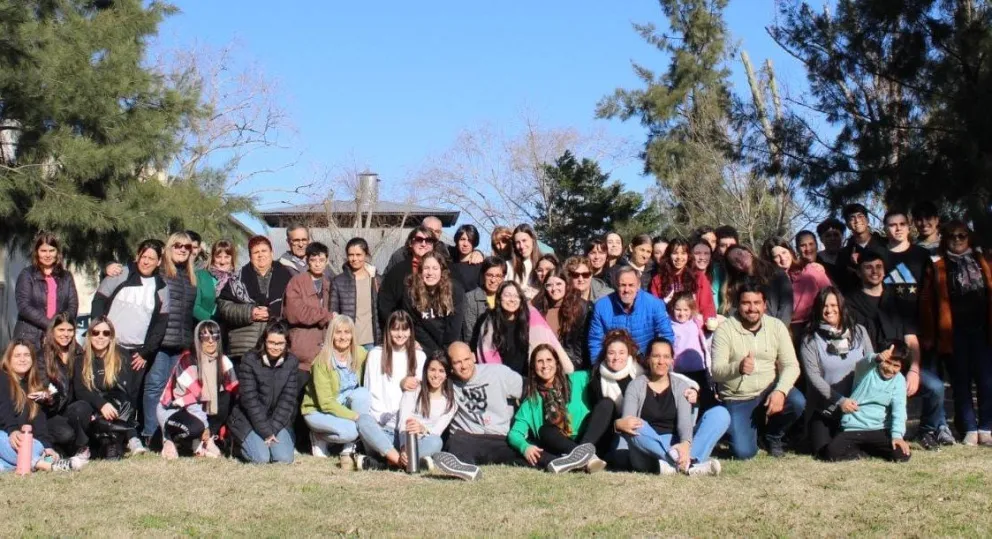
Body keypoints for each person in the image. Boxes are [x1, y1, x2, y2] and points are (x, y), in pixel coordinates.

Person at [848, 251, 952, 447]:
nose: (874, 271)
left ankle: (927, 430)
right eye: (868, 267)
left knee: (935, 387)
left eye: (878, 267)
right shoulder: (851, 302)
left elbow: (911, 339)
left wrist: (913, 369)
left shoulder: (897, 299)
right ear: (859, 272)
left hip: (900, 365)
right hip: (870, 369)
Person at [710, 280, 805, 459]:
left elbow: (791, 365)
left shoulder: (776, 327)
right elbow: (716, 371)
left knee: (797, 401)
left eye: (757, 303)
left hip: (768, 390)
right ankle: (740, 430)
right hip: (739, 397)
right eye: (746, 303)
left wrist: (780, 391)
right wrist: (737, 367)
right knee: (744, 453)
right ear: (738, 305)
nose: (752, 308)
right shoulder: (725, 330)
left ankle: (772, 436)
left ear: (765, 305)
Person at [90, 239, 169, 454]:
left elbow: (161, 324)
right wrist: (99, 335)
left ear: (159, 261)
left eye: (152, 258)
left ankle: (130, 436)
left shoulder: (161, 287)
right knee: (106, 391)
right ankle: (104, 437)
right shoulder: (120, 274)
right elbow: (98, 301)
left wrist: (145, 352)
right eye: (144, 256)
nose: (146, 261)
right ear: (137, 256)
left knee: (130, 396)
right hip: (110, 347)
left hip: (137, 352)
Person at [921, 222, 992, 446]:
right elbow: (927, 303)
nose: (958, 240)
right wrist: (931, 334)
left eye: (962, 236)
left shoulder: (983, 260)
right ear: (945, 238)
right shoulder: (937, 263)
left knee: (986, 379)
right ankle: (970, 428)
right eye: (952, 236)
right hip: (953, 331)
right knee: (960, 381)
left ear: (969, 237)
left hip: (983, 329)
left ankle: (987, 427)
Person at [618, 338, 728, 476]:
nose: (661, 361)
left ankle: (681, 463)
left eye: (666, 357)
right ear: (648, 359)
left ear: (671, 361)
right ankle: (689, 464)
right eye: (656, 356)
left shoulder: (680, 385)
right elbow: (627, 420)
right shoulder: (635, 386)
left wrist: (685, 444)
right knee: (634, 424)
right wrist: (620, 423)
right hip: (647, 449)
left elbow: (684, 423)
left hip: (677, 445)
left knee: (720, 413)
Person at [507, 345, 610, 474]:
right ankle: (587, 458)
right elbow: (514, 434)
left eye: (549, 360)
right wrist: (525, 447)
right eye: (540, 361)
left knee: (606, 404)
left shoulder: (579, 379)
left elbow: (603, 372)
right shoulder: (530, 402)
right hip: (561, 445)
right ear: (533, 367)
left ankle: (582, 455)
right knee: (544, 431)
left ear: (556, 362)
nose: (545, 365)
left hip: (590, 438)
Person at [428, 341, 520, 481]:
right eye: (457, 362)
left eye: (466, 359)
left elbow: (528, 392)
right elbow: (427, 381)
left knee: (525, 451)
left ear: (473, 357)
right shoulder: (448, 384)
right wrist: (405, 382)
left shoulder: (498, 373)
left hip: (500, 438)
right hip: (469, 439)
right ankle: (467, 469)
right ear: (451, 366)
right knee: (456, 442)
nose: (464, 366)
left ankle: (553, 461)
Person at [800, 287, 874, 457]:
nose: (829, 310)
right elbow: (814, 378)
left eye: (834, 305)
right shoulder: (810, 339)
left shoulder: (860, 332)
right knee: (824, 452)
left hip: (858, 407)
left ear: (841, 307)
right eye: (824, 306)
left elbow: (871, 364)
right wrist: (840, 401)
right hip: (825, 409)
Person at [142, 231, 199, 446]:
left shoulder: (190, 276)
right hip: (160, 341)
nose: (182, 249)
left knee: (173, 391)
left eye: (187, 247)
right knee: (155, 386)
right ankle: (150, 433)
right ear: (169, 247)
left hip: (181, 342)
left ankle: (168, 434)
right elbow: (137, 266)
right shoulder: (159, 272)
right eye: (177, 245)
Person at [0, 340, 86, 472]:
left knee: (36, 445)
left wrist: (47, 446)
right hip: (4, 436)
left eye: (26, 355)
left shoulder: (33, 385)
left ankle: (22, 463)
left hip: (16, 444)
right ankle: (48, 466)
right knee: (12, 440)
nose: (22, 359)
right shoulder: (2, 378)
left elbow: (38, 418)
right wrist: (13, 430)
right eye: (17, 356)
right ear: (8, 359)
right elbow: (4, 408)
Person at [156, 320, 237, 459]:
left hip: (202, 410)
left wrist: (214, 431)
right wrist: (206, 428)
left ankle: (203, 441)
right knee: (195, 428)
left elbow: (232, 394)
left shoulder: (224, 362)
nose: (211, 341)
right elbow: (191, 401)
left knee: (226, 397)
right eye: (205, 337)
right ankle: (169, 438)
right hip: (175, 408)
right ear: (198, 340)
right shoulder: (188, 361)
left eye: (215, 336)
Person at [823, 342, 911, 463]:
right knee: (832, 453)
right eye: (887, 362)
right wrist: (878, 358)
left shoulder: (899, 380)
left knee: (902, 455)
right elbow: (865, 362)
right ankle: (863, 451)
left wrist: (897, 436)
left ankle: (867, 449)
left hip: (880, 428)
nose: (890, 369)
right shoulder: (866, 371)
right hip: (854, 427)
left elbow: (899, 409)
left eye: (896, 366)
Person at [227, 320, 299, 464]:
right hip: (248, 418)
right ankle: (236, 444)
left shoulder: (291, 362)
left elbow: (288, 400)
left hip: (276, 420)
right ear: (264, 341)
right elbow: (249, 400)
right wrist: (266, 431)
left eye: (280, 343)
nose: (275, 347)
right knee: (261, 458)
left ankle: (268, 442)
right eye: (271, 342)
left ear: (286, 344)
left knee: (284, 458)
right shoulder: (249, 359)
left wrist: (273, 429)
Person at [301, 315, 370, 463]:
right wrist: (355, 417)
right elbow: (325, 403)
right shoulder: (322, 361)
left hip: (342, 407)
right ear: (331, 335)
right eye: (338, 332)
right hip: (318, 411)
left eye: (347, 332)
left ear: (352, 335)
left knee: (363, 394)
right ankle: (318, 436)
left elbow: (380, 355)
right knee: (353, 430)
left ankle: (349, 447)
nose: (343, 337)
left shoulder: (360, 353)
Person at [72, 317, 143, 459]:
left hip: (116, 408)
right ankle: (91, 447)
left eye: (106, 333)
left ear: (111, 337)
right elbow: (80, 390)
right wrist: (101, 404)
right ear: (89, 335)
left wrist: (107, 405)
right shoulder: (80, 360)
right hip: (94, 407)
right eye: (96, 332)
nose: (100, 337)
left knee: (124, 402)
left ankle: (119, 442)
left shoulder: (121, 357)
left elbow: (124, 389)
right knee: (79, 408)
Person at [361, 311, 426, 467]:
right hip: (382, 425)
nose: (400, 334)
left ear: (411, 331)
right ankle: (401, 460)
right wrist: (380, 419)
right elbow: (369, 390)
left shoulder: (419, 356)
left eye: (404, 329)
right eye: (395, 329)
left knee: (435, 442)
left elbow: (418, 398)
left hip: (405, 427)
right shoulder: (376, 354)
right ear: (388, 331)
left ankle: (385, 460)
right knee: (363, 422)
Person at [217, 235, 293, 361]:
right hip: (243, 346)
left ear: (272, 253)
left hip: (275, 345)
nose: (260, 255)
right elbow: (224, 306)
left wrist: (272, 313)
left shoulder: (286, 277)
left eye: (264, 251)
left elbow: (292, 307)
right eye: (256, 252)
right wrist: (250, 312)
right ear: (250, 256)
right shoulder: (237, 279)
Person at [476, 281, 573, 376]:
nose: (512, 299)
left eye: (516, 296)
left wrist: (566, 369)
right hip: (503, 380)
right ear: (499, 298)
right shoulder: (490, 322)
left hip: (531, 379)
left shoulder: (531, 316)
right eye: (507, 295)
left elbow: (550, 342)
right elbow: (486, 354)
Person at [588, 267, 675, 362]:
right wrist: (598, 367)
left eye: (631, 285)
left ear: (638, 286)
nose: (626, 289)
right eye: (622, 285)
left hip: (646, 361)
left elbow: (666, 335)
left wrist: (657, 361)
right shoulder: (602, 306)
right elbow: (596, 340)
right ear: (616, 285)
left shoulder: (654, 304)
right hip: (615, 362)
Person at [36, 313, 90, 458]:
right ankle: (63, 446)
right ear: (52, 331)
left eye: (70, 330)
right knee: (65, 434)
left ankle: (76, 446)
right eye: (61, 330)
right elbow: (45, 389)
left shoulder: (79, 354)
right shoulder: (42, 357)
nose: (66, 334)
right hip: (51, 412)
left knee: (83, 407)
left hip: (70, 410)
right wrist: (50, 398)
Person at [13, 232, 79, 351]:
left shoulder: (66, 277)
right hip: (30, 337)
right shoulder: (27, 274)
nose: (47, 255)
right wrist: (51, 325)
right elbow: (24, 307)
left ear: (57, 253)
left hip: (58, 338)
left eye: (51, 250)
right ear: (37, 252)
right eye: (43, 251)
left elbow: (72, 306)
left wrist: (61, 328)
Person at [378, 226, 448, 326]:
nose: (423, 244)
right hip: (404, 331)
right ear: (411, 243)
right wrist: (397, 328)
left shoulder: (442, 270)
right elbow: (385, 304)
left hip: (435, 331)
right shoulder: (398, 271)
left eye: (428, 241)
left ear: (433, 245)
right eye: (419, 240)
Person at [398, 352, 457, 468]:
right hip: (403, 439)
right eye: (432, 369)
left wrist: (422, 429)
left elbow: (436, 431)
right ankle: (408, 460)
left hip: (425, 442)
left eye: (441, 371)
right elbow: (402, 422)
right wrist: (404, 447)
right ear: (426, 370)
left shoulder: (450, 403)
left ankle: (406, 460)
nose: (436, 375)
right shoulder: (414, 390)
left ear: (447, 375)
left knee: (436, 442)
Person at [760, 237, 831, 335]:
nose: (783, 258)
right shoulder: (769, 282)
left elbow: (830, 294)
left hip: (815, 324)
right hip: (786, 329)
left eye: (784, 252)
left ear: (790, 251)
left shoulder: (810, 269)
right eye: (777, 256)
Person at [401, 251, 466, 356]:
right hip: (425, 346)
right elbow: (415, 325)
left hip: (450, 346)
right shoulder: (411, 292)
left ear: (442, 271)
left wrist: (445, 353)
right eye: (426, 268)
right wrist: (433, 351)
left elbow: (454, 327)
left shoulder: (455, 290)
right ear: (420, 270)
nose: (430, 273)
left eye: (435, 268)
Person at [284, 241, 334, 373]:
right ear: (307, 261)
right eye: (313, 260)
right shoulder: (296, 282)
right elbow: (296, 313)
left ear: (327, 261)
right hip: (301, 351)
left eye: (321, 260)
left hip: (324, 351)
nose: (318, 264)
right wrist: (326, 316)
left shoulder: (330, 284)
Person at [532, 266, 592, 370]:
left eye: (559, 284)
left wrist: (576, 366)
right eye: (549, 285)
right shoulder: (538, 309)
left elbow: (581, 344)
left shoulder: (581, 308)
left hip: (571, 364)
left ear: (567, 285)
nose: (554, 289)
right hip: (545, 365)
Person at [723, 244, 794, 325]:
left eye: (740, 253)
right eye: (735, 261)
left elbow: (786, 306)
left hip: (776, 329)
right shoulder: (737, 286)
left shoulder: (775, 272)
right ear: (734, 267)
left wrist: (779, 330)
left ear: (748, 251)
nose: (740, 259)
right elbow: (734, 311)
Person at [330, 237, 381, 350]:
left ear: (366, 255)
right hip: (348, 341)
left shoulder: (376, 280)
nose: (354, 259)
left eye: (358, 255)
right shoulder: (338, 281)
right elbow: (333, 312)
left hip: (372, 341)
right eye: (351, 255)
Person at [649, 238, 716, 321]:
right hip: (668, 327)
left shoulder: (698, 277)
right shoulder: (658, 279)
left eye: (683, 253)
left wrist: (709, 322)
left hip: (695, 327)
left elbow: (707, 307)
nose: (679, 257)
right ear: (669, 255)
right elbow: (654, 308)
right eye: (675, 253)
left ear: (688, 256)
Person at [668, 292, 714, 409]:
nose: (682, 313)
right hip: (681, 372)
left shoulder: (696, 322)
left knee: (705, 399)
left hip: (699, 369)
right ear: (672, 308)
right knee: (685, 402)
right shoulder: (670, 325)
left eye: (685, 310)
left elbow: (704, 340)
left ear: (691, 310)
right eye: (678, 309)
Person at [836, 203, 889, 293]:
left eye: (860, 216)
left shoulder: (886, 244)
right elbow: (844, 283)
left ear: (867, 220)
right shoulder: (844, 254)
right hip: (860, 302)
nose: (857, 221)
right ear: (848, 225)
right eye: (852, 218)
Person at [462, 257, 505, 347]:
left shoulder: (506, 297)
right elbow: (470, 335)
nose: (493, 280)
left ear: (503, 278)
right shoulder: (471, 298)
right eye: (489, 275)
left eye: (498, 276)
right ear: (482, 275)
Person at [194, 240, 236, 322]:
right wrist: (214, 322)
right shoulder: (200, 276)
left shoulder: (236, 281)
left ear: (232, 258)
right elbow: (194, 307)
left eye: (227, 257)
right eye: (218, 257)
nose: (222, 261)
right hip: (200, 327)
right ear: (213, 257)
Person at [506, 224, 543, 299]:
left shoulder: (544, 263)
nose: (521, 246)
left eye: (524, 240)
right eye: (517, 242)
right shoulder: (508, 265)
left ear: (532, 240)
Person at [690, 238, 723, 315]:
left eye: (706, 253)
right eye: (697, 253)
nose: (702, 257)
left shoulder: (719, 273)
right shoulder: (685, 277)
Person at [451, 224, 483, 293]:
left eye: (470, 240)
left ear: (474, 242)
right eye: (462, 239)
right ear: (457, 240)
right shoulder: (449, 258)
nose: (465, 244)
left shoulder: (479, 267)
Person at [816, 217, 846, 285]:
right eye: (828, 236)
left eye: (836, 235)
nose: (832, 238)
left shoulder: (849, 256)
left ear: (842, 237)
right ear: (821, 239)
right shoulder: (815, 261)